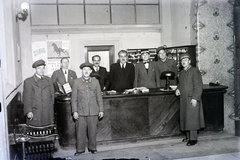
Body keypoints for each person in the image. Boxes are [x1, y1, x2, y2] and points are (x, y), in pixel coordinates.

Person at [71, 62, 104, 155]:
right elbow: (73, 99)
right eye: (84, 69)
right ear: (82, 71)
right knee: (80, 132)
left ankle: (92, 148)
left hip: (93, 111)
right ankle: (80, 150)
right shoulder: (76, 82)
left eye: (88, 70)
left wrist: (101, 110)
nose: (86, 71)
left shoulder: (95, 81)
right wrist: (74, 111)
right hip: (80, 112)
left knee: (92, 132)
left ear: (91, 71)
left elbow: (99, 97)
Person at [175, 53, 205, 146]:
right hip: (183, 99)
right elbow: (180, 85)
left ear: (189, 61)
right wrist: (177, 89)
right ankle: (188, 136)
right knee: (186, 118)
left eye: (185, 60)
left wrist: (195, 98)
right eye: (182, 60)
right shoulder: (182, 73)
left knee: (192, 119)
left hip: (191, 99)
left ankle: (193, 139)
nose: (183, 62)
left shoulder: (194, 70)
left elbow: (198, 86)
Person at [23, 59, 55, 126]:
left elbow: (52, 95)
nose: (41, 70)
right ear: (35, 69)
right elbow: (27, 98)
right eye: (39, 68)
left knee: (47, 131)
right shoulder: (29, 81)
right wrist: (29, 111)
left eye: (43, 68)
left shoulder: (49, 80)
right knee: (36, 131)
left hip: (47, 112)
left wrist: (51, 109)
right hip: (36, 112)